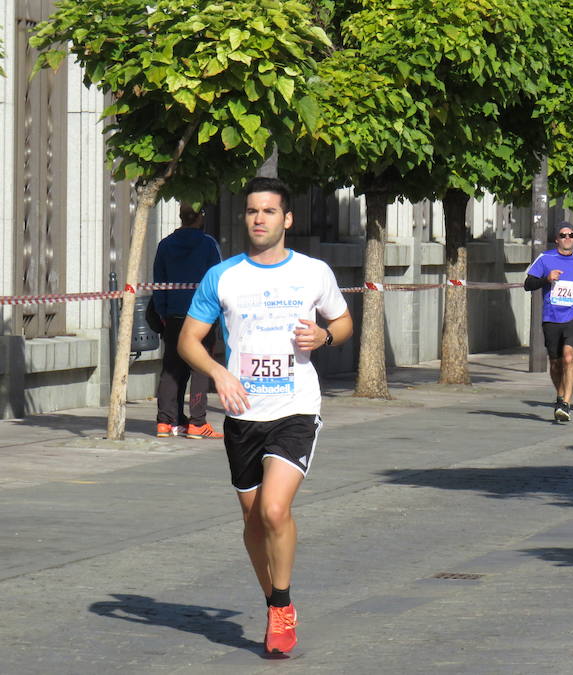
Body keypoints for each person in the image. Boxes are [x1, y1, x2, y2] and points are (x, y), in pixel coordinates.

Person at [178, 176, 353, 655]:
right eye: (252, 211)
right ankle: (273, 602)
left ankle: (282, 605)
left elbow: (342, 320)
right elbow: (188, 340)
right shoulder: (224, 276)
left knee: (276, 509)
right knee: (255, 521)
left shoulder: (313, 272)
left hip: (295, 407)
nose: (259, 219)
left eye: (269, 211)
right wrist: (219, 373)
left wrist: (325, 338)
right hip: (242, 413)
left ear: (286, 219)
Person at [152, 204, 223, 439]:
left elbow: (158, 283)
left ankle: (166, 421)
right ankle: (197, 422)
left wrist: (163, 313)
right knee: (200, 368)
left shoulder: (165, 245)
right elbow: (217, 280)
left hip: (173, 316)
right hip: (201, 317)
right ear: (200, 216)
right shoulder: (208, 244)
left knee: (171, 368)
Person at [524, 221, 573, 421]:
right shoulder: (546, 259)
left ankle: (566, 403)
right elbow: (528, 284)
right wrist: (546, 278)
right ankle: (560, 395)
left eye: (571, 235)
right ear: (557, 239)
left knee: (569, 356)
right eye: (563, 235)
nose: (567, 238)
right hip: (552, 317)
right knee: (555, 363)